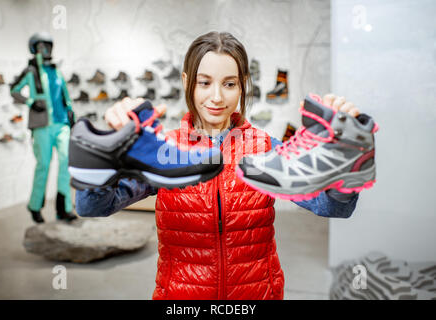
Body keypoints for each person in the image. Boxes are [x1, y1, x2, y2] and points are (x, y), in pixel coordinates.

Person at [76, 31, 362, 299]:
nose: (216, 97)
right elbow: (92, 207)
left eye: (229, 83)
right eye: (204, 82)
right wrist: (108, 153)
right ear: (187, 81)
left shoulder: (265, 149)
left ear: (242, 85)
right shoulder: (164, 152)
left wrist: (344, 157)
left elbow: (335, 207)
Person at [10, 32, 77, 223]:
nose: (45, 50)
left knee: (65, 164)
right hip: (42, 125)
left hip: (61, 123)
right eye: (41, 46)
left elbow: (64, 94)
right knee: (44, 165)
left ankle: (63, 208)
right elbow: (14, 90)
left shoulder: (56, 71)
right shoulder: (30, 71)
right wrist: (31, 101)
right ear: (35, 49)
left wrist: (70, 111)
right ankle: (35, 206)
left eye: (48, 46)